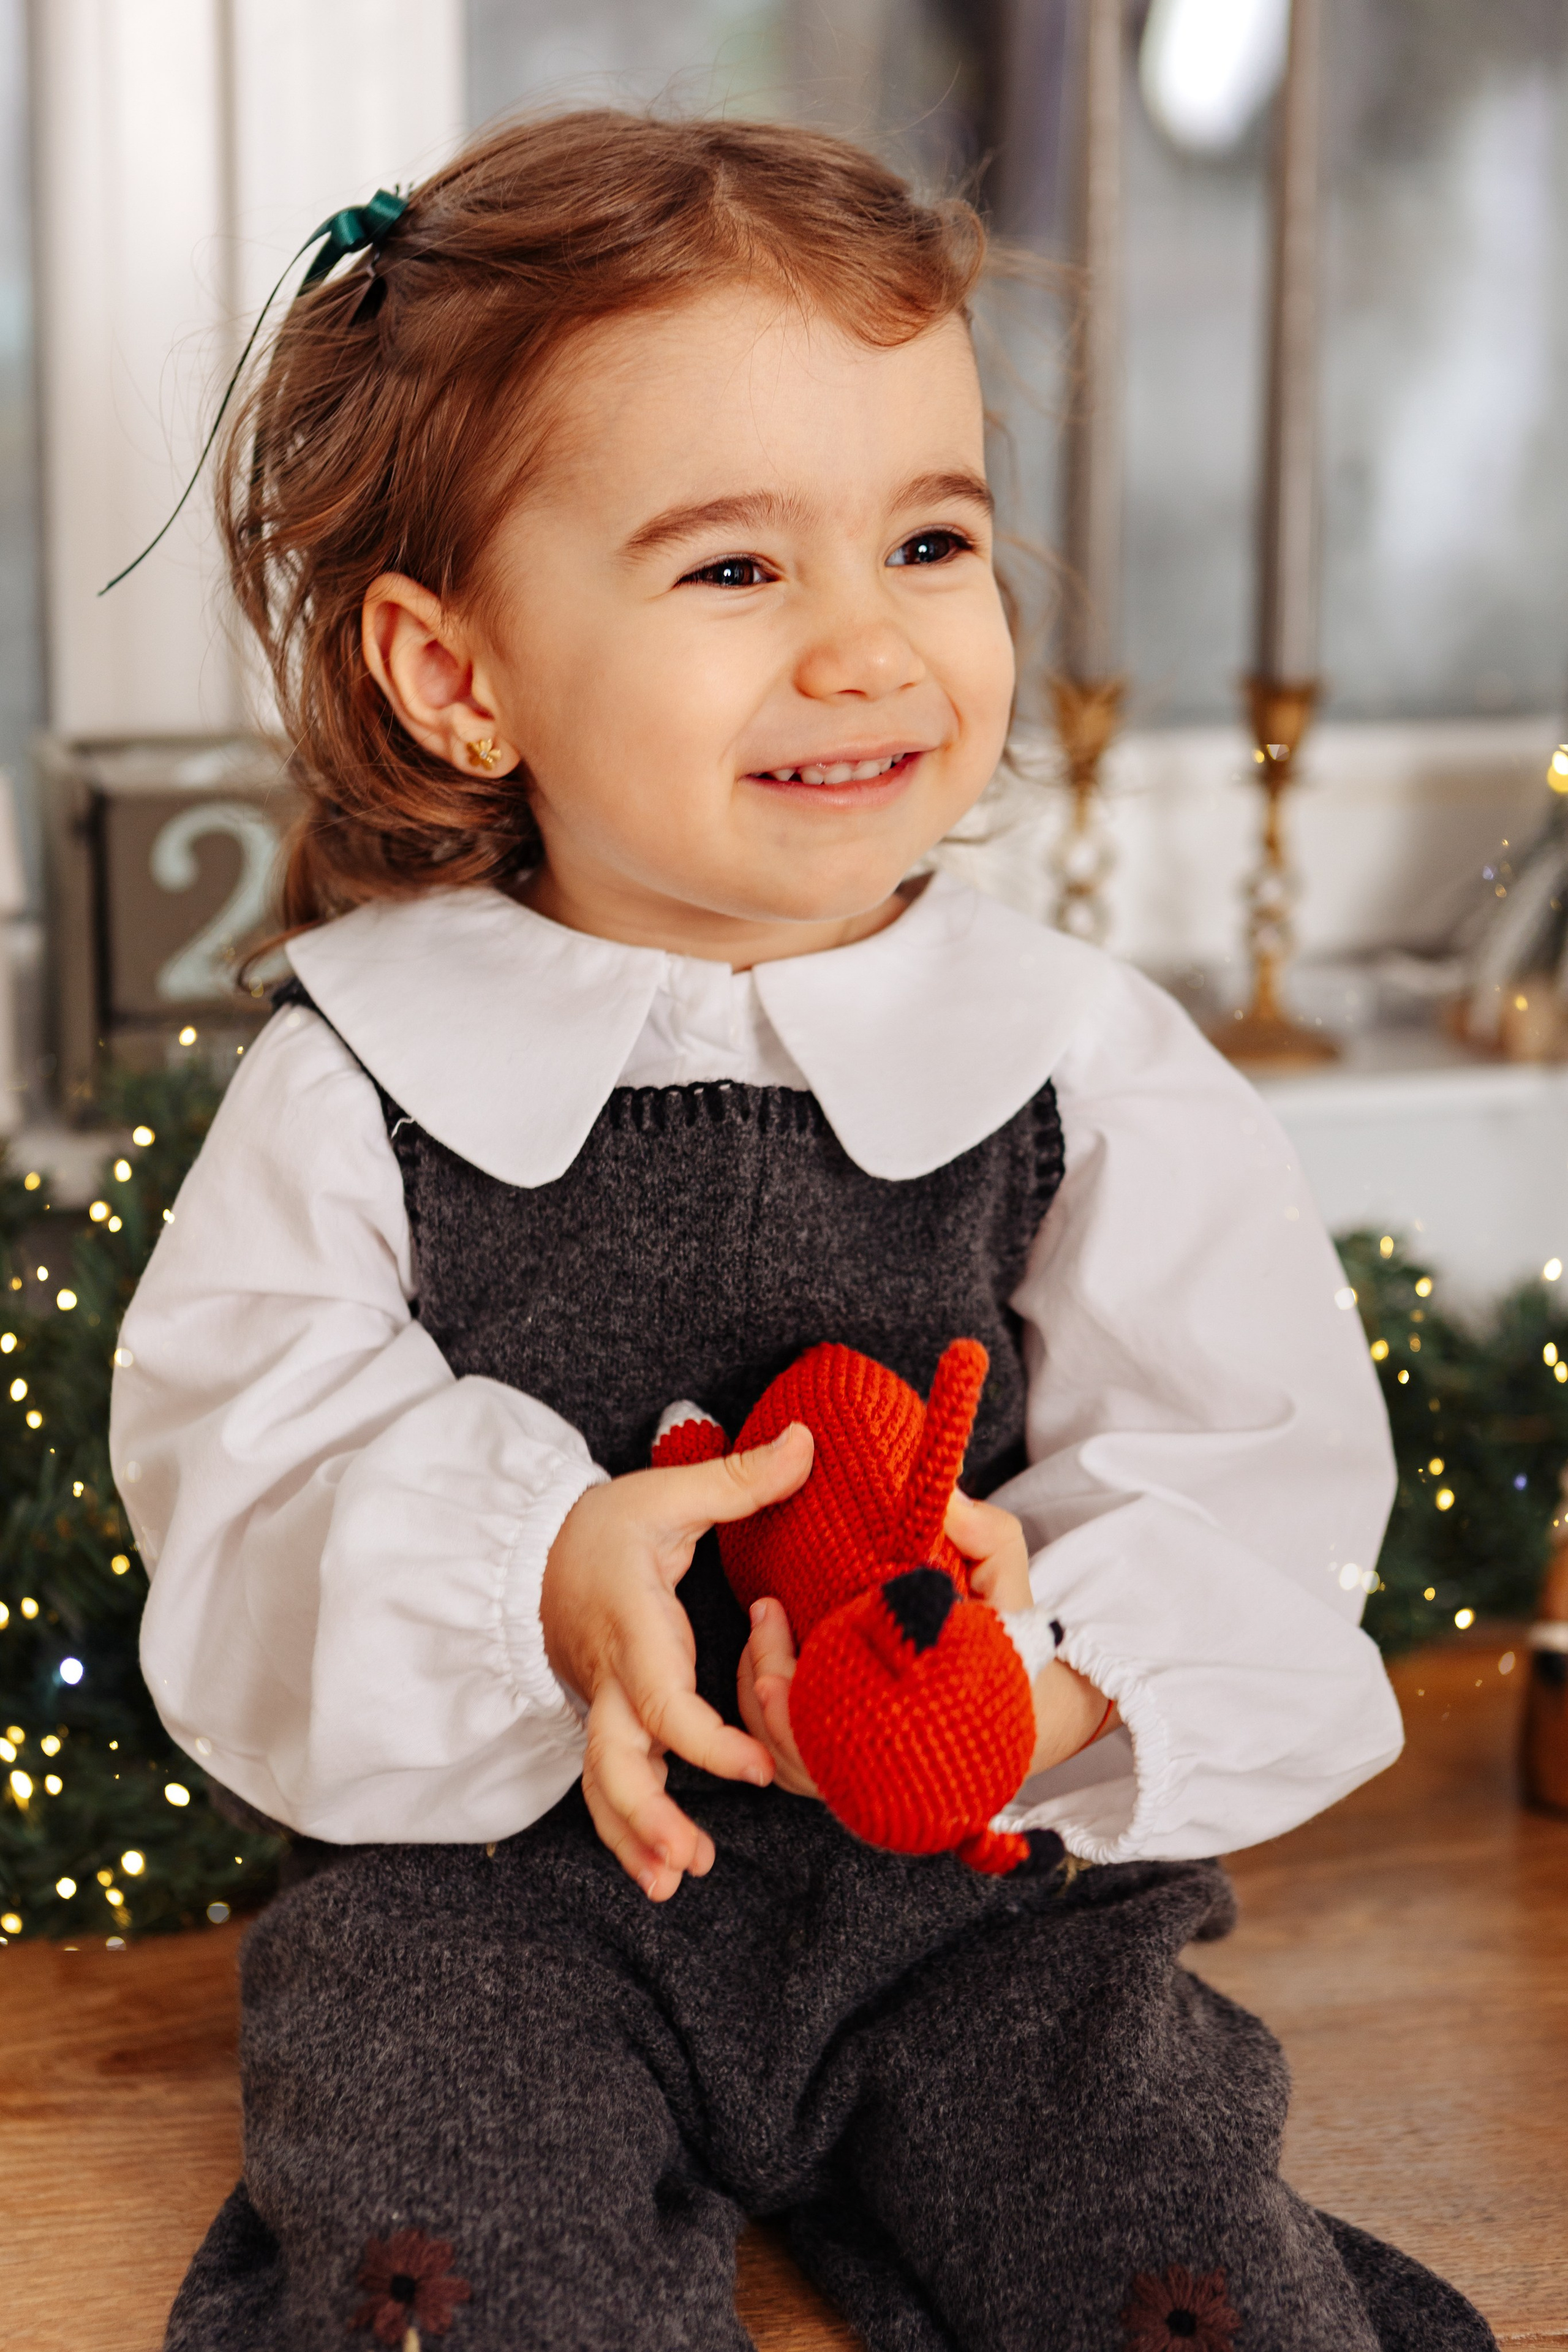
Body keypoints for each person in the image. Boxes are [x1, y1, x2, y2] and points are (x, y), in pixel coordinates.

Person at [110, 110, 1494, 2352]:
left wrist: (1043, 1672)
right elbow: (241, 1458)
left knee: (1152, 2220)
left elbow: (1250, 1451)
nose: (871, 647)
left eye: (930, 540)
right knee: (446, 2230)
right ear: (459, 674)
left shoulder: (1073, 1057)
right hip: (514, 1889)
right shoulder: (361, 1068)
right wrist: (540, 1582)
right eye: (737, 572)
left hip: (968, 1898)